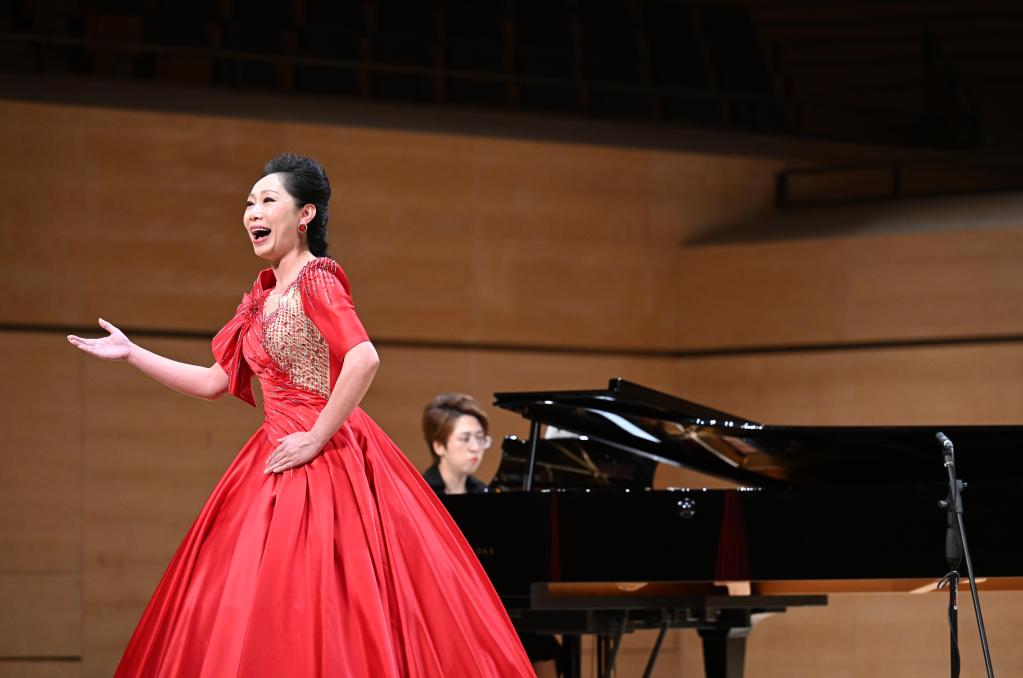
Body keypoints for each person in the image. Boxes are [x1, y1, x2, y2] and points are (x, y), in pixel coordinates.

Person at [67, 153, 533, 677]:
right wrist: (133, 354)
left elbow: (363, 358)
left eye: (268, 200)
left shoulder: (317, 279)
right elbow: (213, 382)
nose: (252, 212)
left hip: (324, 458)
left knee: (325, 599)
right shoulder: (260, 298)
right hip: (273, 457)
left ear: (305, 214)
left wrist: (316, 436)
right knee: (255, 598)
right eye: (249, 202)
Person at [421, 393, 563, 678]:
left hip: (486, 601)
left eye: (480, 438)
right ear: (439, 445)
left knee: (542, 643)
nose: (475, 447)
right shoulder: (423, 496)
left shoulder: (485, 496)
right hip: (440, 606)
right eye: (465, 439)